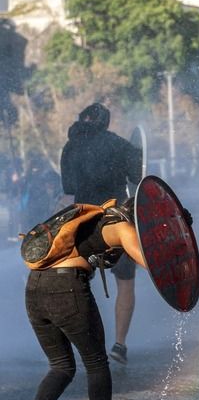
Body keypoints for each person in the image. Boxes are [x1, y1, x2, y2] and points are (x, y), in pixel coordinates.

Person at [16, 198, 145, 400]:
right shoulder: (122, 227)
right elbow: (150, 262)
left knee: (61, 366)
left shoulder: (92, 219)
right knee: (97, 363)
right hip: (66, 289)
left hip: (34, 289)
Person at [60, 103, 142, 364]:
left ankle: (85, 341)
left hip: (82, 219)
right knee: (125, 281)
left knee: (79, 281)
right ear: (106, 122)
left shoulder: (70, 147)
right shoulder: (118, 144)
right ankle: (119, 344)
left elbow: (69, 186)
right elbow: (139, 175)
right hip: (115, 219)